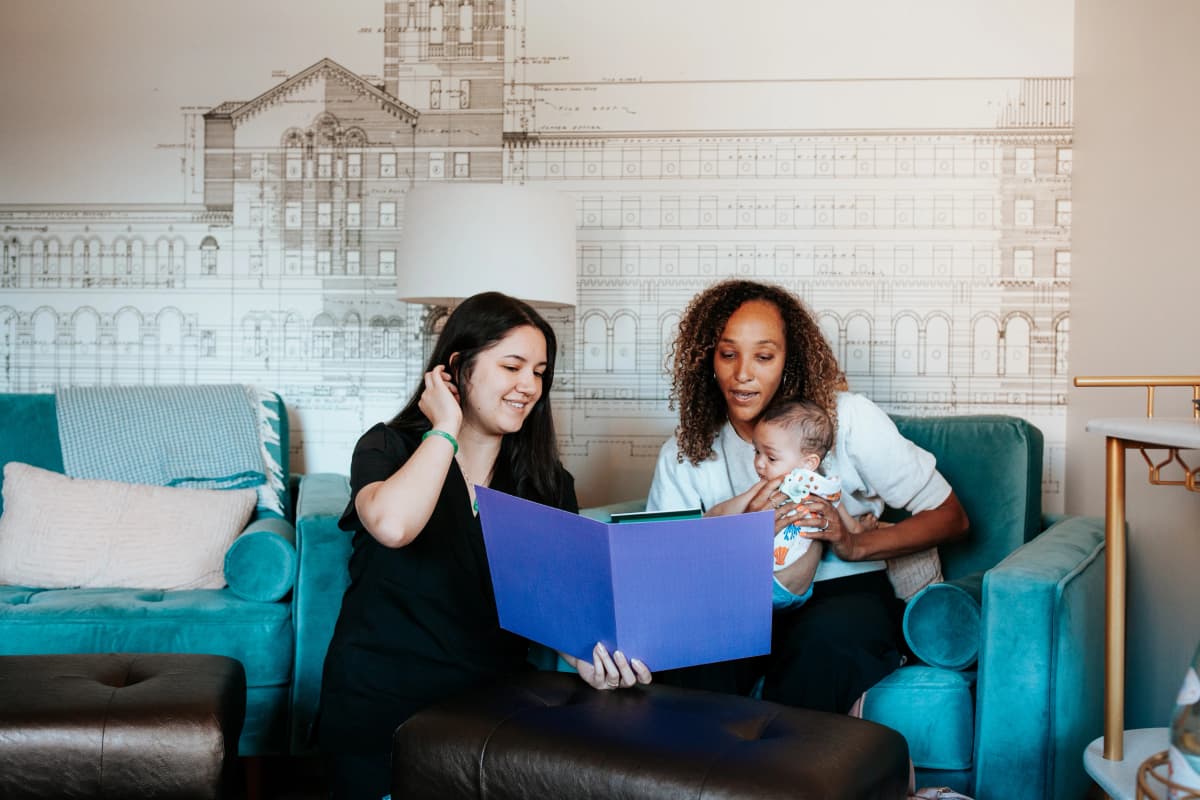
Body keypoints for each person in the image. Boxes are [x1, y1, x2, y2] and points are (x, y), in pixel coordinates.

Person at [318, 292, 651, 800]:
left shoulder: (548, 483)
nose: (529, 386)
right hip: (380, 705)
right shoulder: (388, 446)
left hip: (488, 714)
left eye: (539, 372)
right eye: (512, 367)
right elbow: (393, 526)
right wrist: (444, 429)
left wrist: (590, 660)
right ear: (457, 367)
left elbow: (552, 603)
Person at [647, 279, 969, 715]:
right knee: (692, 661)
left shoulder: (848, 419)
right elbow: (662, 565)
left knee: (822, 651)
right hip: (738, 596)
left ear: (789, 360)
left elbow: (951, 517)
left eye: (764, 356)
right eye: (728, 354)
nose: (743, 374)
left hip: (845, 595)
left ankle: (786, 761)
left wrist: (854, 543)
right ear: (707, 360)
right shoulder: (686, 450)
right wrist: (736, 534)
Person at [708, 399, 855, 610]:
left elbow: (843, 523)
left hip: (803, 593)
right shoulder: (768, 490)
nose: (759, 463)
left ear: (809, 463)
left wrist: (860, 529)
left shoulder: (824, 489)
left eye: (771, 458)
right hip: (766, 587)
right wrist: (711, 520)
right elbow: (718, 514)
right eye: (757, 452)